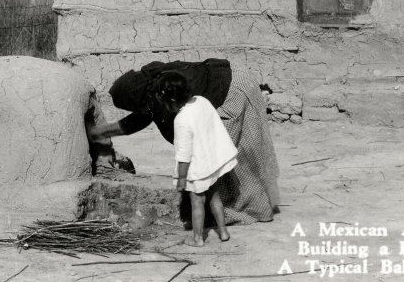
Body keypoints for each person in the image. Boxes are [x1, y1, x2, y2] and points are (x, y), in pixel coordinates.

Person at [88, 58, 280, 225]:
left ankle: (246, 211)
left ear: (134, 99)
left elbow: (180, 148)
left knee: (222, 161)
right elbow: (137, 120)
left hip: (230, 91)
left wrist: (182, 178)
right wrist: (100, 131)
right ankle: (225, 217)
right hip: (234, 79)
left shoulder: (163, 95)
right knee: (223, 163)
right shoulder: (153, 88)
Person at [157, 71, 236, 246]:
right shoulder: (202, 101)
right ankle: (223, 232)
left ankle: (198, 238)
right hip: (211, 161)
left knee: (197, 201)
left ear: (170, 101)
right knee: (214, 195)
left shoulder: (181, 120)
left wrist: (182, 180)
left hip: (199, 167)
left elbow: (184, 156)